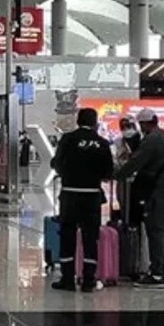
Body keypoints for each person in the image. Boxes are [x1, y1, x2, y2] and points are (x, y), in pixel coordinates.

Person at [49, 108, 114, 292]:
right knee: (90, 238)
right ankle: (88, 280)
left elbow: (57, 163)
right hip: (92, 196)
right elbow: (108, 171)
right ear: (95, 123)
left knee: (67, 236)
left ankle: (68, 279)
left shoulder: (68, 139)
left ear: (78, 121)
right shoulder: (102, 143)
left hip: (70, 195)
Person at [115, 108, 164, 287]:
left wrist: (117, 175)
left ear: (144, 123)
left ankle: (157, 273)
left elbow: (136, 162)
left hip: (159, 190)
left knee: (155, 230)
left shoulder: (151, 139)